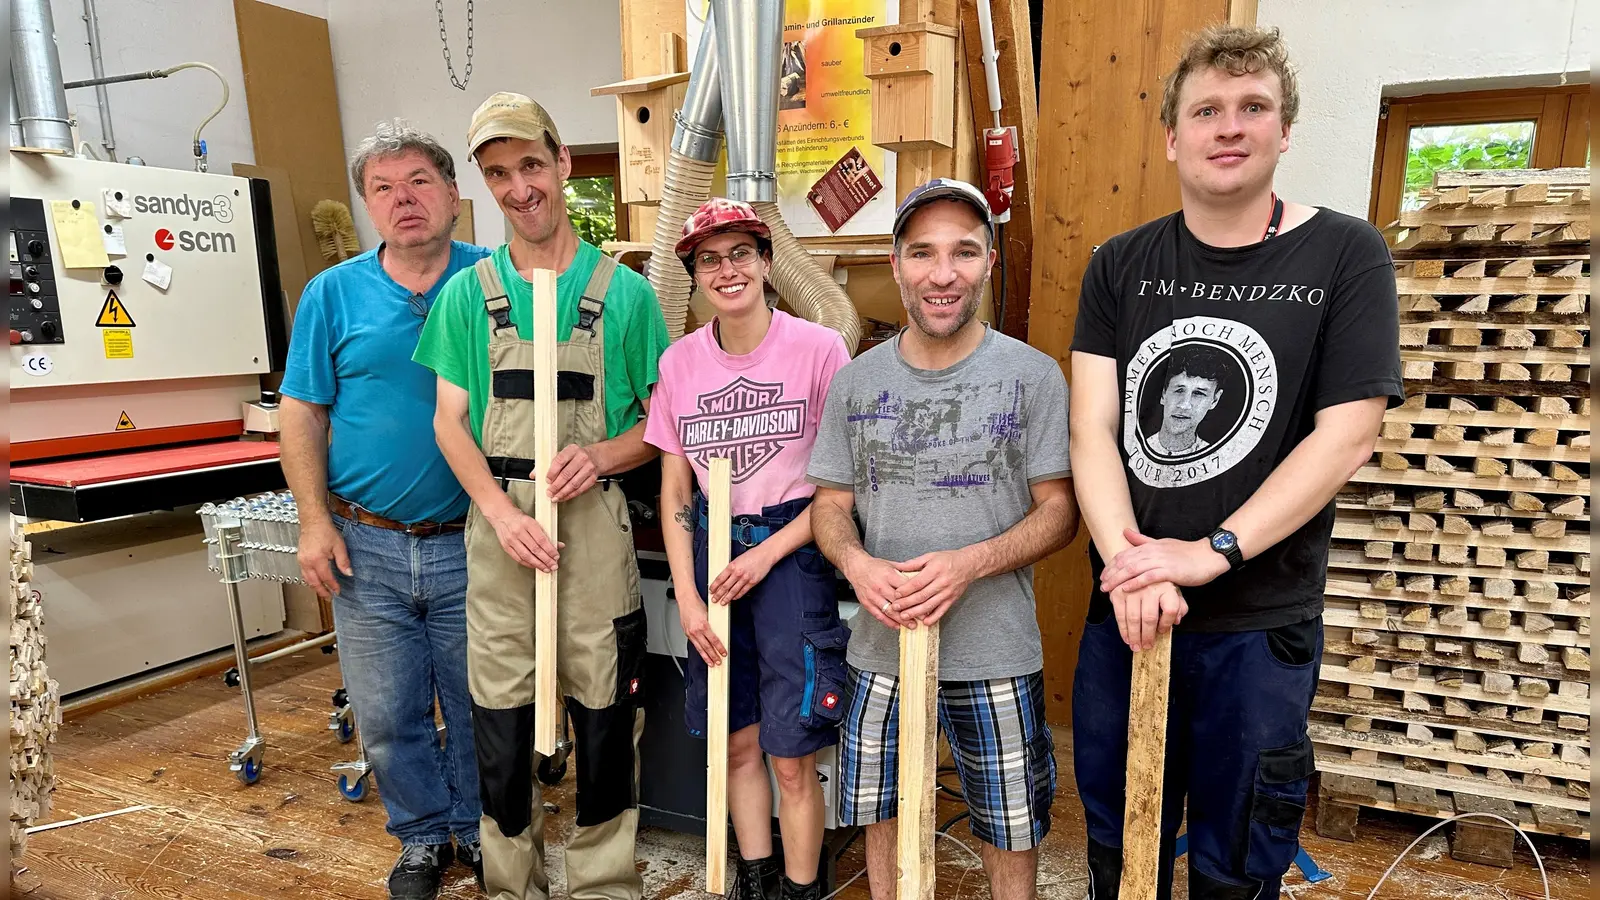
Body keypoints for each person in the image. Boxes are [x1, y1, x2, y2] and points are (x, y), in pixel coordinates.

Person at [1067, 24, 1400, 900]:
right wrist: (1134, 565)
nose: (1229, 127)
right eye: (1206, 110)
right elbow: (1092, 429)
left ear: (1284, 130)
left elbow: (1347, 436)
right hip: (1128, 612)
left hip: (1256, 625)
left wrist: (1210, 553)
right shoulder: (1119, 264)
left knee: (1238, 862)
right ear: (1171, 137)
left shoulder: (1346, 254)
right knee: (1120, 851)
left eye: (1253, 107)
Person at [412, 91, 670, 900]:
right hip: (501, 535)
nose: (519, 188)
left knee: (604, 717)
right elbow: (450, 421)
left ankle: (602, 883)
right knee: (500, 719)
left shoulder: (624, 295)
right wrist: (498, 512)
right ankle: (510, 882)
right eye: (498, 174)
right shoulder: (468, 295)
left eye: (531, 165)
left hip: (593, 531)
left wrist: (599, 455)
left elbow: (661, 425)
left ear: (562, 163)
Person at [806, 178, 1080, 900]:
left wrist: (970, 563)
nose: (942, 273)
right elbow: (829, 505)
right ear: (896, 265)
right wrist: (856, 563)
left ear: (988, 262)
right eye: (923, 253)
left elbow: (1060, 512)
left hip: (995, 650)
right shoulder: (856, 382)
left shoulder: (1033, 377)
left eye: (963, 251)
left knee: (1009, 827)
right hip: (880, 647)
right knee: (883, 815)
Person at [278, 119, 490, 900]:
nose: (403, 199)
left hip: (476, 539)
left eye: (419, 182)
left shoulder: (493, 282)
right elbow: (302, 412)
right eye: (383, 188)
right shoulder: (332, 294)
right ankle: (423, 837)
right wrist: (313, 521)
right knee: (387, 710)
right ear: (368, 205)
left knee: (481, 702)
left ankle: (479, 826)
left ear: (453, 196)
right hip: (364, 541)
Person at [644, 198, 852, 900]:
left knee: (790, 753)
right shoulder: (680, 364)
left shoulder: (819, 349)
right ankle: (755, 878)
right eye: (709, 259)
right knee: (734, 741)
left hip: (793, 552)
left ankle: (800, 888)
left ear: (767, 263)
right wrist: (689, 599)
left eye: (740, 254)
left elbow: (841, 486)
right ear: (695, 276)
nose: (726, 270)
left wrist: (766, 555)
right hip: (712, 553)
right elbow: (676, 489)